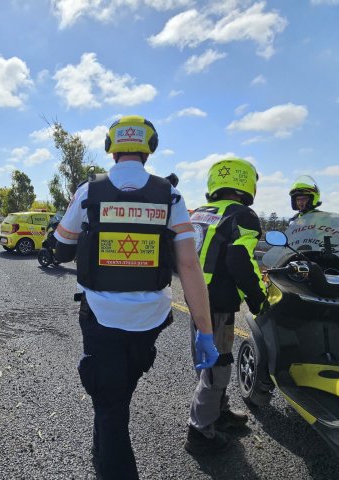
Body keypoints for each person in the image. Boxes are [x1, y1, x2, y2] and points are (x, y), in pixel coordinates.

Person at [53, 115, 219, 479]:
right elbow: (189, 268)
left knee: (112, 408)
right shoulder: (171, 195)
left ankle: (112, 465)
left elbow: (62, 247)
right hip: (151, 320)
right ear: (149, 148)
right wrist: (205, 332)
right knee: (115, 395)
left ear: (111, 148)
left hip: (100, 316)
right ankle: (101, 453)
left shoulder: (88, 192)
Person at [185, 158, 267, 455]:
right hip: (218, 304)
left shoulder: (202, 212)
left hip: (195, 298)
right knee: (217, 367)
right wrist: (259, 298)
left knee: (204, 358)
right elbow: (239, 260)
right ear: (247, 183)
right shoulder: (242, 215)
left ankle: (217, 412)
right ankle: (200, 431)